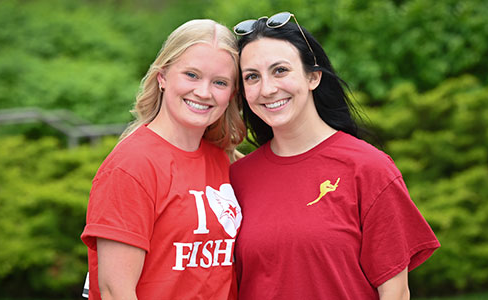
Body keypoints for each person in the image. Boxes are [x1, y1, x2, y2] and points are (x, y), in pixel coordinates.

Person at [229, 12, 440, 300]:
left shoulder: (367, 167)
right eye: (252, 77)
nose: (267, 88)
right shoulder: (237, 178)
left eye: (280, 70)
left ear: (313, 76)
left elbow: (396, 293)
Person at [80, 19, 246, 300]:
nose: (203, 92)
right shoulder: (132, 166)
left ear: (231, 95)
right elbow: (114, 291)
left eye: (219, 82)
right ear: (162, 76)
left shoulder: (225, 160)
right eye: (191, 75)